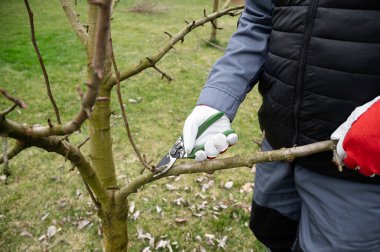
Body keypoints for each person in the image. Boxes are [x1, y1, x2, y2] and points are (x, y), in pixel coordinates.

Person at [182, 1, 380, 251]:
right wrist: (216, 100)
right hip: (277, 149)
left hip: (358, 168)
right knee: (273, 233)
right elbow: (259, 19)